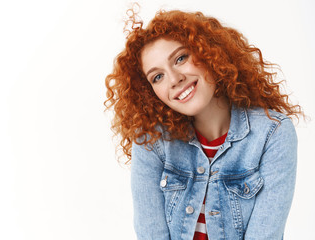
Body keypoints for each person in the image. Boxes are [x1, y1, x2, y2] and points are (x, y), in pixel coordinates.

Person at [105, 7, 303, 240]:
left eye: (181, 58)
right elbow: (151, 234)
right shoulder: (151, 140)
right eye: (157, 77)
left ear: (209, 52)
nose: (175, 79)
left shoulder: (272, 133)